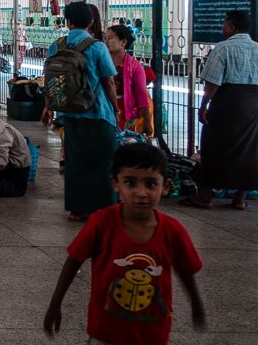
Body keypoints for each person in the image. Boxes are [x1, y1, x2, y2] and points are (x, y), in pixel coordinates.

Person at [45, 143, 206, 345]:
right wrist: (55, 304)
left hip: (152, 334)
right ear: (116, 183)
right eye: (130, 183)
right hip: (105, 333)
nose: (141, 192)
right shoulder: (101, 223)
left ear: (165, 186)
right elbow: (74, 261)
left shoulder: (173, 231)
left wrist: (196, 304)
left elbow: (185, 270)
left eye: (150, 184)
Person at [183, 10, 258, 210]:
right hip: (251, 103)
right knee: (248, 148)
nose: (223, 27)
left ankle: (205, 196)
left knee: (213, 145)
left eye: (224, 24)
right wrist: (254, 89)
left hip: (226, 101)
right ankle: (240, 198)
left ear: (231, 27)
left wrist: (203, 105)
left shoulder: (222, 48)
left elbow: (212, 82)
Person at [43, 1, 120, 221]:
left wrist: (48, 107)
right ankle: (104, 210)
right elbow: (108, 82)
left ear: (68, 21)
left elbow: (51, 81)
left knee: (76, 162)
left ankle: (77, 209)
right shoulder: (97, 47)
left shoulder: (57, 45)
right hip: (98, 113)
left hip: (69, 114)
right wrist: (115, 109)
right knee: (104, 162)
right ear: (91, 21)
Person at [105, 24, 153, 135]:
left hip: (124, 114)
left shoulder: (135, 66)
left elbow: (141, 95)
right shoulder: (101, 62)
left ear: (123, 42)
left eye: (110, 38)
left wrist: (147, 121)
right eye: (105, 38)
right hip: (102, 112)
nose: (106, 42)